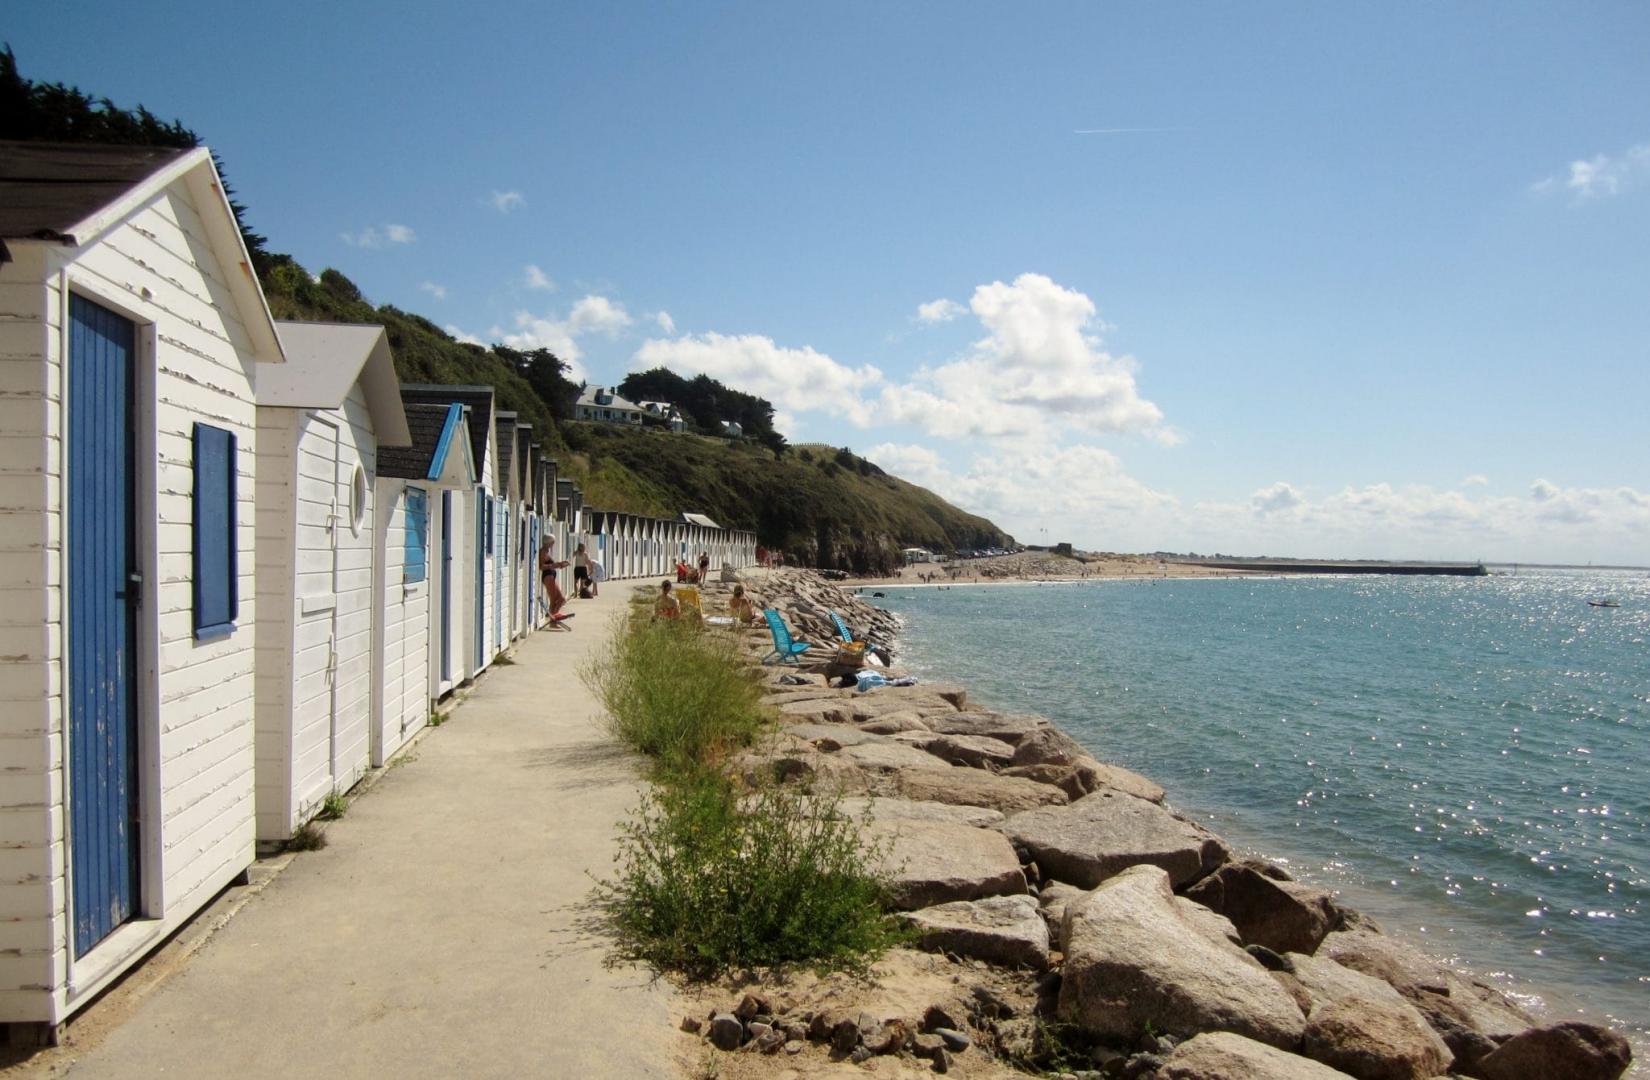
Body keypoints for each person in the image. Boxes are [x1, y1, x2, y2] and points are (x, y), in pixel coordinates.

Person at [539, 538, 569, 618]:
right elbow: (541, 566)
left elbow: (552, 565)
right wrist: (557, 565)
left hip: (551, 576)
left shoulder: (547, 552)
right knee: (554, 600)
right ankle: (553, 620)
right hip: (548, 577)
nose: (553, 544)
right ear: (547, 542)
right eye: (552, 542)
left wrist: (560, 564)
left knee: (561, 599)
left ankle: (552, 617)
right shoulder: (543, 552)